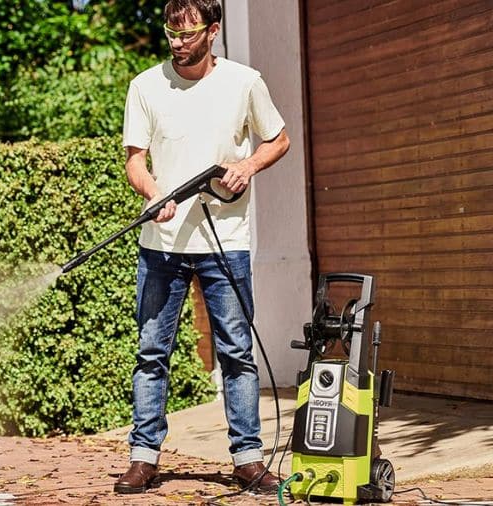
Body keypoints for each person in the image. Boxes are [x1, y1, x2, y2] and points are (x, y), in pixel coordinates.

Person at [114, 0, 291, 495]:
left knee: (236, 352)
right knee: (152, 352)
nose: (177, 42)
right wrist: (153, 194)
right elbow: (135, 161)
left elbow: (278, 139)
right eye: (171, 31)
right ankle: (143, 457)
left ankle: (248, 459)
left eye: (188, 33)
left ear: (213, 31)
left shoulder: (245, 82)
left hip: (226, 242)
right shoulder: (145, 86)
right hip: (162, 244)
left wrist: (248, 166)